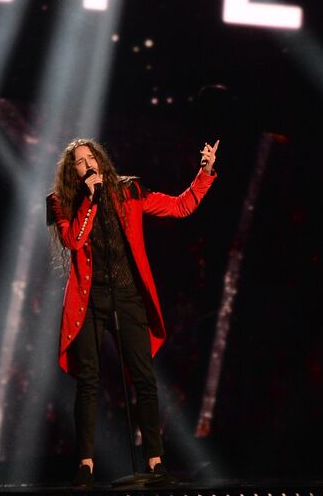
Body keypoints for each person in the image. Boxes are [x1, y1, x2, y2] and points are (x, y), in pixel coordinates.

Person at [47, 137, 219, 486]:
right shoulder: (61, 202)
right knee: (89, 382)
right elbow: (74, 241)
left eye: (90, 156)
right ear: (72, 171)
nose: (87, 164)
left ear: (100, 159)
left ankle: (154, 460)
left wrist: (205, 172)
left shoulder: (129, 191)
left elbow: (180, 206)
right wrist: (90, 202)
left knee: (144, 378)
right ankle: (85, 464)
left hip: (127, 297)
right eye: (78, 162)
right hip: (89, 302)